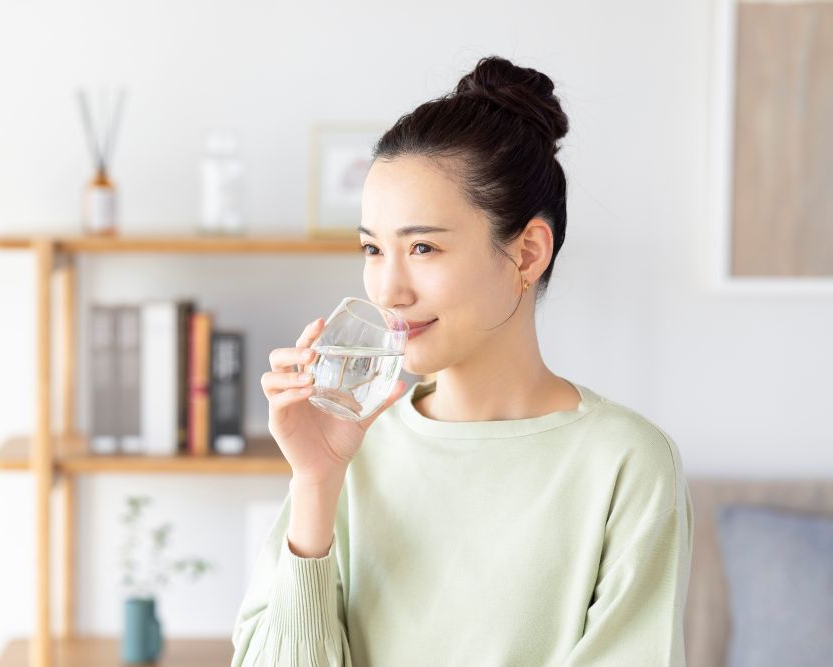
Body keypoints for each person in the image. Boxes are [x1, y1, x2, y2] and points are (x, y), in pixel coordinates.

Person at [231, 55, 693, 666]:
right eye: (373, 248)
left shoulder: (626, 463)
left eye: (422, 246)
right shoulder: (348, 446)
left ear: (527, 253)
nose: (388, 290)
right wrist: (315, 482)